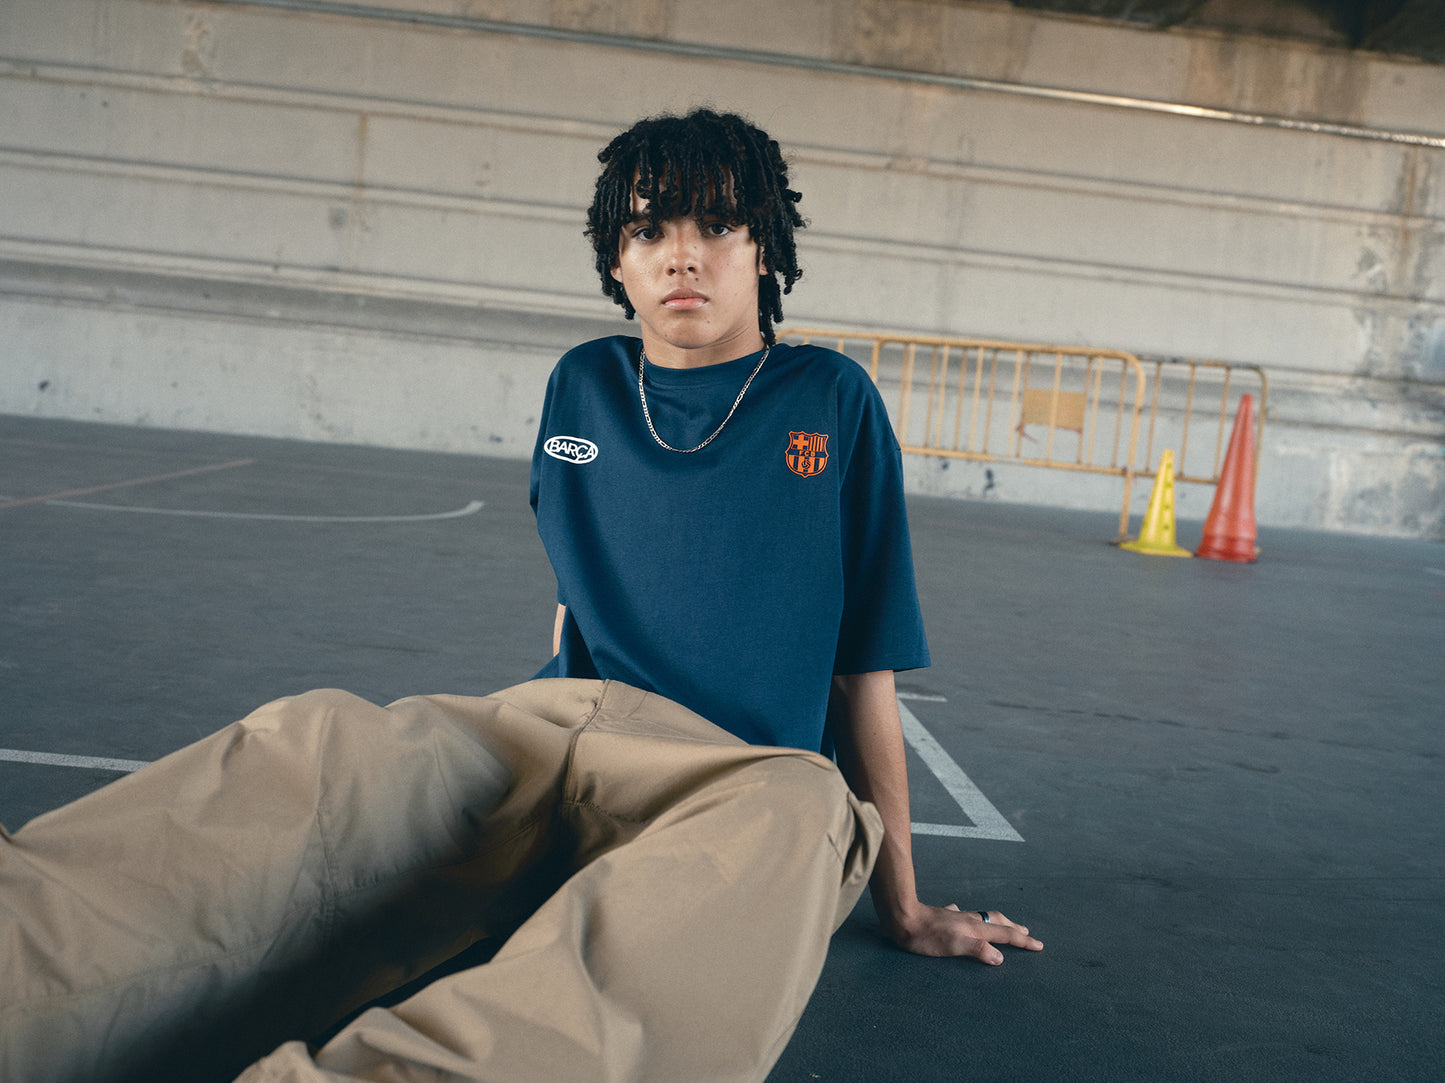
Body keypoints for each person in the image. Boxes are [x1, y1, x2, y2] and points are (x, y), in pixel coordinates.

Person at [530, 108, 1041, 964]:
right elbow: (571, 607)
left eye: (719, 225)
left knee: (641, 948)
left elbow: (860, 668)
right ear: (615, 260)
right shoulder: (581, 384)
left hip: (753, 793)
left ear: (764, 246)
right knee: (347, 756)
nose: (681, 255)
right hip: (585, 761)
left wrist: (903, 906)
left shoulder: (830, 398)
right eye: (648, 228)